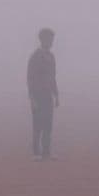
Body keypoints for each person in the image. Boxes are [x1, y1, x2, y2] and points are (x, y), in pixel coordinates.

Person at [27, 28, 59, 160]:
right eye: (49, 39)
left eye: (52, 39)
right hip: (38, 95)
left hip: (48, 95)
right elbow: (30, 78)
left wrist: (56, 95)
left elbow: (53, 77)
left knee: (48, 125)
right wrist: (32, 99)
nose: (51, 42)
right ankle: (36, 152)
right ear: (43, 40)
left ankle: (46, 151)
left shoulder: (51, 57)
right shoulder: (35, 56)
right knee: (38, 125)